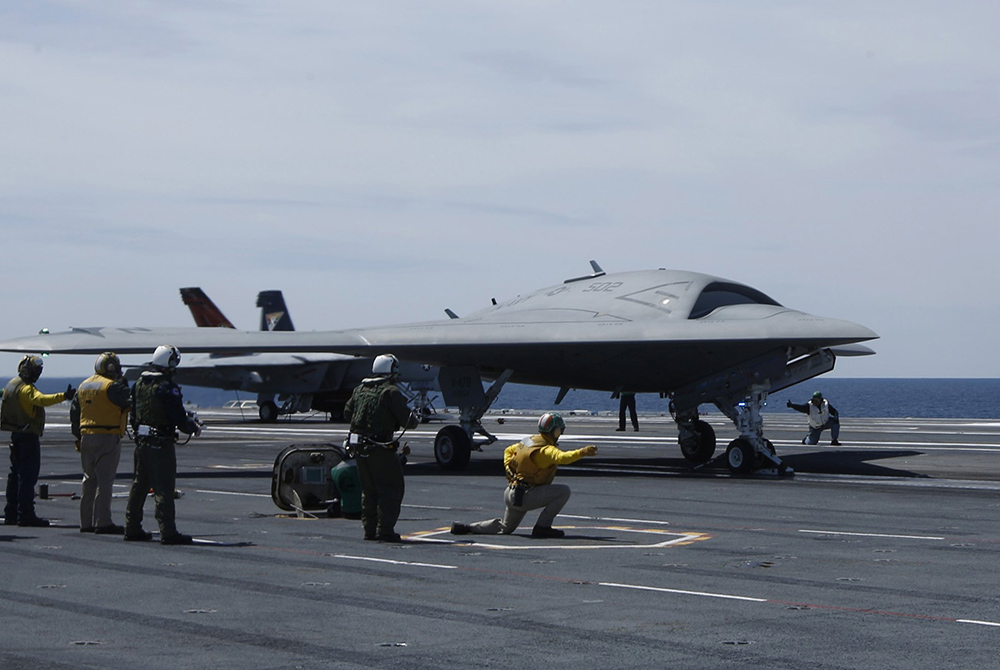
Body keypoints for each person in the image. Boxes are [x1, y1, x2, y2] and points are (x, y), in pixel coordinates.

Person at [450, 412, 598, 539]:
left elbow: (508, 450)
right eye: (560, 430)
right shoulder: (545, 450)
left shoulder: (529, 441)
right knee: (563, 491)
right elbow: (563, 458)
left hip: (511, 493)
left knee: (505, 527)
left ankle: (467, 527)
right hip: (527, 496)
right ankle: (542, 527)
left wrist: (508, 466)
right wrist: (582, 452)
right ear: (555, 431)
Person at [124, 345, 201, 545]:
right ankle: (167, 531)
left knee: (139, 485)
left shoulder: (139, 383)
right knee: (164, 487)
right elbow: (178, 418)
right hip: (160, 444)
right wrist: (193, 427)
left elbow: (133, 414)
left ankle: (131, 527)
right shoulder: (167, 387)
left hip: (141, 442)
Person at [343, 353, 418, 542]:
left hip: (359, 448)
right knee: (390, 489)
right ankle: (384, 530)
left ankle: (369, 530)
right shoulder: (390, 392)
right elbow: (409, 422)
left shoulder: (359, 389)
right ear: (392, 372)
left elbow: (347, 413)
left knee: (369, 491)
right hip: (380, 448)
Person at [1, 355, 75, 527]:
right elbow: (41, 399)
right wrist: (64, 396)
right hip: (28, 436)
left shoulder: (11, 384)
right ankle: (26, 514)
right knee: (27, 477)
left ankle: (11, 513)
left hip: (16, 434)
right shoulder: (26, 389)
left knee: (14, 476)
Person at [70, 352, 130, 534]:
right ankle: (103, 522)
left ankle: (85, 522)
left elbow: (74, 413)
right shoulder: (112, 387)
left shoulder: (84, 385)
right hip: (107, 435)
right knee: (105, 481)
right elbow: (131, 400)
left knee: (88, 480)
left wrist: (78, 436)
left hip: (86, 436)